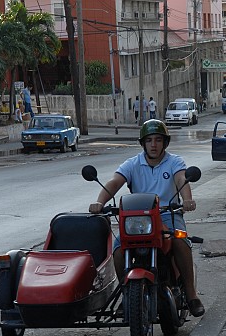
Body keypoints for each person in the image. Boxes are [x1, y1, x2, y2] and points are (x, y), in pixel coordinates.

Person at [88, 120, 205, 317]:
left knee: (180, 240)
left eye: (158, 140)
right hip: (137, 220)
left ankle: (192, 295)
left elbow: (181, 180)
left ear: (165, 143)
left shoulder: (174, 162)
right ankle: (127, 294)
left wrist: (187, 200)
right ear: (143, 143)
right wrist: (99, 202)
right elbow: (115, 182)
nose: (153, 144)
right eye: (149, 140)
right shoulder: (133, 164)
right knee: (117, 248)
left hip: (168, 215)